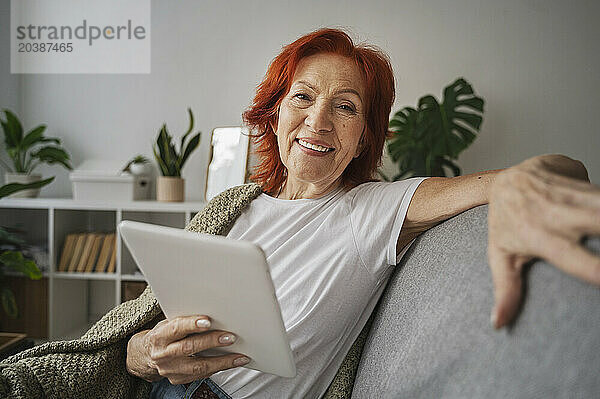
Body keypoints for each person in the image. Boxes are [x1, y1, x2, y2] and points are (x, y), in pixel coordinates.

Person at [123, 28, 600, 398]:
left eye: (345, 107)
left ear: (362, 140)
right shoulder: (230, 210)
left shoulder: (372, 210)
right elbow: (131, 336)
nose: (318, 120)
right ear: (274, 114)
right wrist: (146, 352)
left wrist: (521, 183)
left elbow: (566, 168)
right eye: (302, 97)